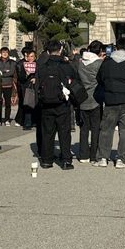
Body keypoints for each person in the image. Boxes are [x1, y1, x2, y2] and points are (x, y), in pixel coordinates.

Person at [94, 36, 125, 167]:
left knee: (106, 130)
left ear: (116, 47)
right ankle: (121, 159)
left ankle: (103, 158)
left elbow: (99, 79)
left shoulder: (107, 62)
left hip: (111, 99)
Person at [37, 40, 76, 169]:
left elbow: (37, 84)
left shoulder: (42, 66)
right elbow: (73, 80)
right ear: (60, 50)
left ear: (48, 51)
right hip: (62, 102)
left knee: (48, 132)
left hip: (46, 103)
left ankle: (47, 160)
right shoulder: (66, 65)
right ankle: (66, 160)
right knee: (64, 132)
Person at [74, 40, 104, 164]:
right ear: (100, 51)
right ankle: (93, 155)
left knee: (84, 128)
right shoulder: (99, 63)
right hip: (95, 98)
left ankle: (83, 154)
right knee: (96, 127)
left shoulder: (80, 63)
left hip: (82, 97)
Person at [16, 48, 37, 130]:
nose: (30, 58)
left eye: (32, 56)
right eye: (29, 56)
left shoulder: (38, 64)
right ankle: (27, 124)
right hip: (26, 87)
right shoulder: (22, 64)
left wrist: (36, 78)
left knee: (35, 105)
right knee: (28, 104)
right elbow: (20, 77)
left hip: (36, 87)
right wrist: (26, 74)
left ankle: (34, 121)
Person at [0, 46, 16, 127]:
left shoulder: (12, 62)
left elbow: (11, 72)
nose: (5, 54)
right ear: (1, 53)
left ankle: (7, 119)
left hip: (8, 85)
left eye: (6, 52)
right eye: (3, 52)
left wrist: (2, 73)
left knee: (8, 103)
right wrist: (5, 72)